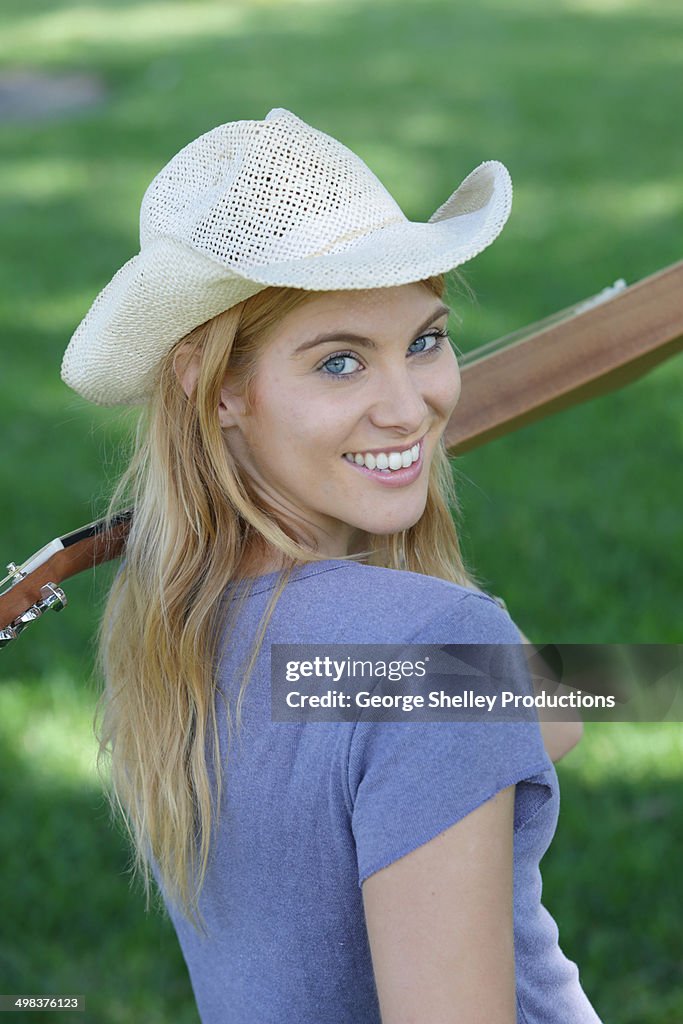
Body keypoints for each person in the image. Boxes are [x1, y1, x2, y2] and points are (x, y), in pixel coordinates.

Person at [61, 108, 602, 1023]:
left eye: (425, 341)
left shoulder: (181, 627)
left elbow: (542, 713)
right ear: (217, 386)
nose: (410, 409)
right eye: (342, 362)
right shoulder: (426, 649)